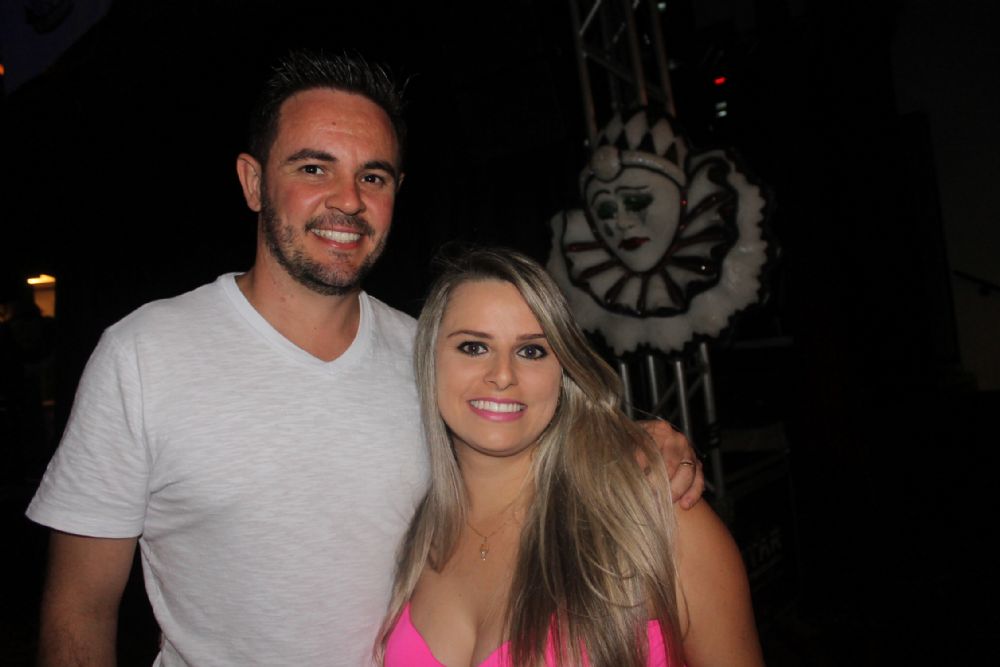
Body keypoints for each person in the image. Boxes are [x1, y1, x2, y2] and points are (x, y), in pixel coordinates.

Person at [25, 50, 703, 666]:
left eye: (372, 175)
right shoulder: (143, 356)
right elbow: (78, 612)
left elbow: (534, 447)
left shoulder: (432, 360)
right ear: (253, 182)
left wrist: (633, 444)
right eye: (313, 167)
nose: (348, 200)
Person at [377, 247, 763, 666]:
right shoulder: (409, 535)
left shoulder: (657, 519)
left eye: (532, 351)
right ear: (430, 362)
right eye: (473, 347)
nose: (502, 375)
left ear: (563, 373)